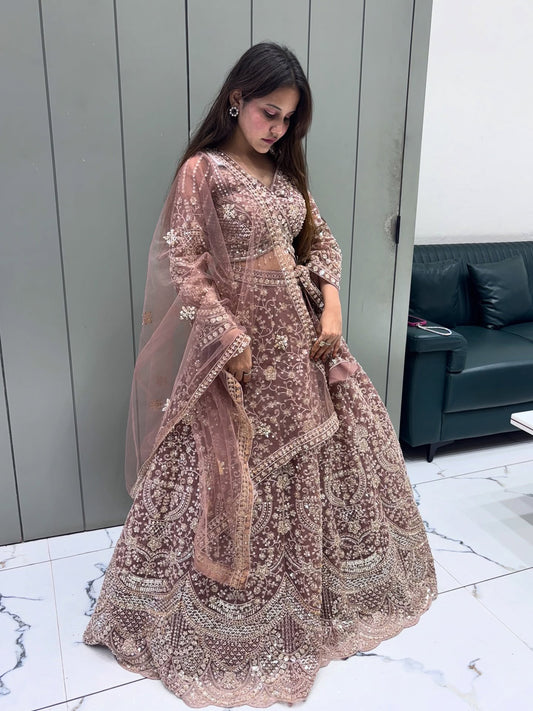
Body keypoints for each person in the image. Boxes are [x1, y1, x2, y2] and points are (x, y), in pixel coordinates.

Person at [83, 42, 437, 707]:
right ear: (236, 100)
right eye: (268, 113)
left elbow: (320, 243)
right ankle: (223, 614)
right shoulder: (203, 171)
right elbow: (183, 266)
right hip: (235, 354)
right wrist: (225, 335)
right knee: (230, 469)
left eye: (288, 120)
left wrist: (332, 305)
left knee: (319, 459)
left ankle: (310, 595)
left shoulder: (284, 175)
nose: (276, 129)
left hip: (304, 347)